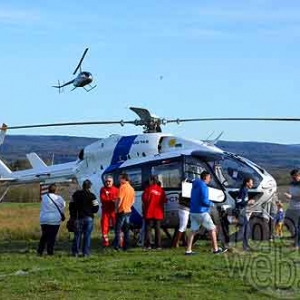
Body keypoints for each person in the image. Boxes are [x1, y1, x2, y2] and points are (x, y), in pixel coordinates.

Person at [185, 171, 227, 255]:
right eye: (209, 178)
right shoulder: (204, 186)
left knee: (193, 230)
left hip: (193, 211)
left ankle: (188, 250)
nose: (210, 179)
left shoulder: (195, 185)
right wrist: (212, 204)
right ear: (205, 177)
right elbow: (204, 201)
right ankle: (215, 250)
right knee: (212, 229)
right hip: (202, 212)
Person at [69, 179, 99, 257]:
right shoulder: (92, 195)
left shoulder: (75, 194)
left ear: (82, 186)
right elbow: (96, 207)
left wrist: (73, 215)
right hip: (88, 218)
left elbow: (71, 205)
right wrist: (91, 211)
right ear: (89, 187)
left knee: (77, 235)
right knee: (87, 236)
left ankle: (75, 252)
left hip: (78, 218)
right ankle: (86, 253)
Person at [37, 183, 65, 256]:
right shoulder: (59, 198)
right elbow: (63, 205)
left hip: (44, 219)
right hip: (55, 220)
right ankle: (50, 252)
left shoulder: (43, 197)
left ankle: (40, 251)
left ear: (48, 190)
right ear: (56, 190)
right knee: (52, 237)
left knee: (44, 236)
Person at [142, 175, 167, 249]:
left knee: (148, 229)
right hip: (158, 213)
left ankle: (148, 245)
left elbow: (144, 200)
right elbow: (164, 200)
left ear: (152, 181)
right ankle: (158, 245)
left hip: (149, 212)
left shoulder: (147, 189)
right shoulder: (161, 190)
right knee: (157, 229)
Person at [113, 173, 135, 251]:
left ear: (124, 179)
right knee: (126, 230)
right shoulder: (131, 188)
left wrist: (116, 208)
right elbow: (133, 201)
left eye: (120, 178)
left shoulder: (122, 187)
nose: (119, 180)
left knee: (118, 229)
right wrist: (128, 205)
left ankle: (117, 246)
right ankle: (126, 246)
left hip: (121, 210)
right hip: (128, 210)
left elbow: (119, 199)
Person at [235, 177, 255, 251]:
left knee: (247, 230)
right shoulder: (242, 190)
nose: (252, 184)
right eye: (251, 182)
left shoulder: (245, 190)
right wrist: (248, 202)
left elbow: (243, 202)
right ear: (247, 183)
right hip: (240, 212)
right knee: (244, 230)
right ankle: (228, 242)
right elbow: (238, 202)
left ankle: (245, 246)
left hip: (243, 212)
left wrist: (248, 204)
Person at [100, 175, 119, 247]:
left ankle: (119, 241)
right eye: (106, 181)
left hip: (113, 211)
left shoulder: (116, 190)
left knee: (116, 226)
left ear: (112, 182)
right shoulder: (103, 189)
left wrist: (113, 201)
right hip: (105, 211)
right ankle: (105, 243)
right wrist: (112, 200)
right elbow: (103, 199)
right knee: (104, 227)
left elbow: (117, 200)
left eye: (109, 181)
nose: (108, 183)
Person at [284, 169, 300, 249]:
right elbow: (291, 192)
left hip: (298, 208)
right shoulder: (292, 184)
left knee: (297, 226)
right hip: (291, 207)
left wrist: (291, 197)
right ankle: (295, 237)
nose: (294, 178)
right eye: (293, 176)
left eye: (296, 176)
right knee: (286, 221)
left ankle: (297, 244)